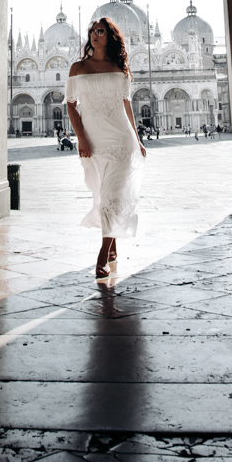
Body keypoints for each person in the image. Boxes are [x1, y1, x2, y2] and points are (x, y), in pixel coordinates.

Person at [66, 17, 146, 279]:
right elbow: (70, 105)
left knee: (112, 198)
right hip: (94, 140)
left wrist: (137, 138)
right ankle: (112, 248)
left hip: (121, 140)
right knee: (103, 198)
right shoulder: (77, 68)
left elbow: (126, 105)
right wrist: (81, 138)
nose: (95, 36)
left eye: (100, 32)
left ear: (110, 36)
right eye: (92, 32)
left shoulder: (119, 67)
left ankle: (101, 257)